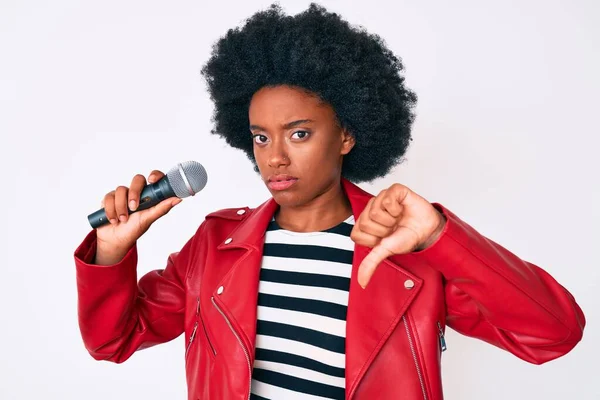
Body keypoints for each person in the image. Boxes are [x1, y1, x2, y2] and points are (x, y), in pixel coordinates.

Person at [73, 3, 585, 400]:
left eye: (298, 133)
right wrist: (112, 253)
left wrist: (437, 238)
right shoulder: (215, 244)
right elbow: (113, 341)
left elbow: (553, 334)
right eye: (260, 137)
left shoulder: (404, 251)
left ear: (345, 135)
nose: (273, 157)